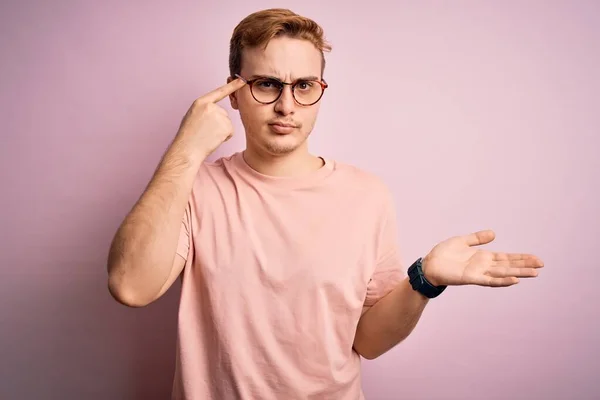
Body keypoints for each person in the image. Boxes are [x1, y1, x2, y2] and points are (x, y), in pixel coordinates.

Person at [106, 8, 544, 400]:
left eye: (303, 86)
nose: (285, 105)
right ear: (233, 94)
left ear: (321, 90)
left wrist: (424, 279)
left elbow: (367, 342)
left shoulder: (365, 195)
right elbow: (130, 286)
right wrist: (186, 149)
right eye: (266, 84)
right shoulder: (194, 187)